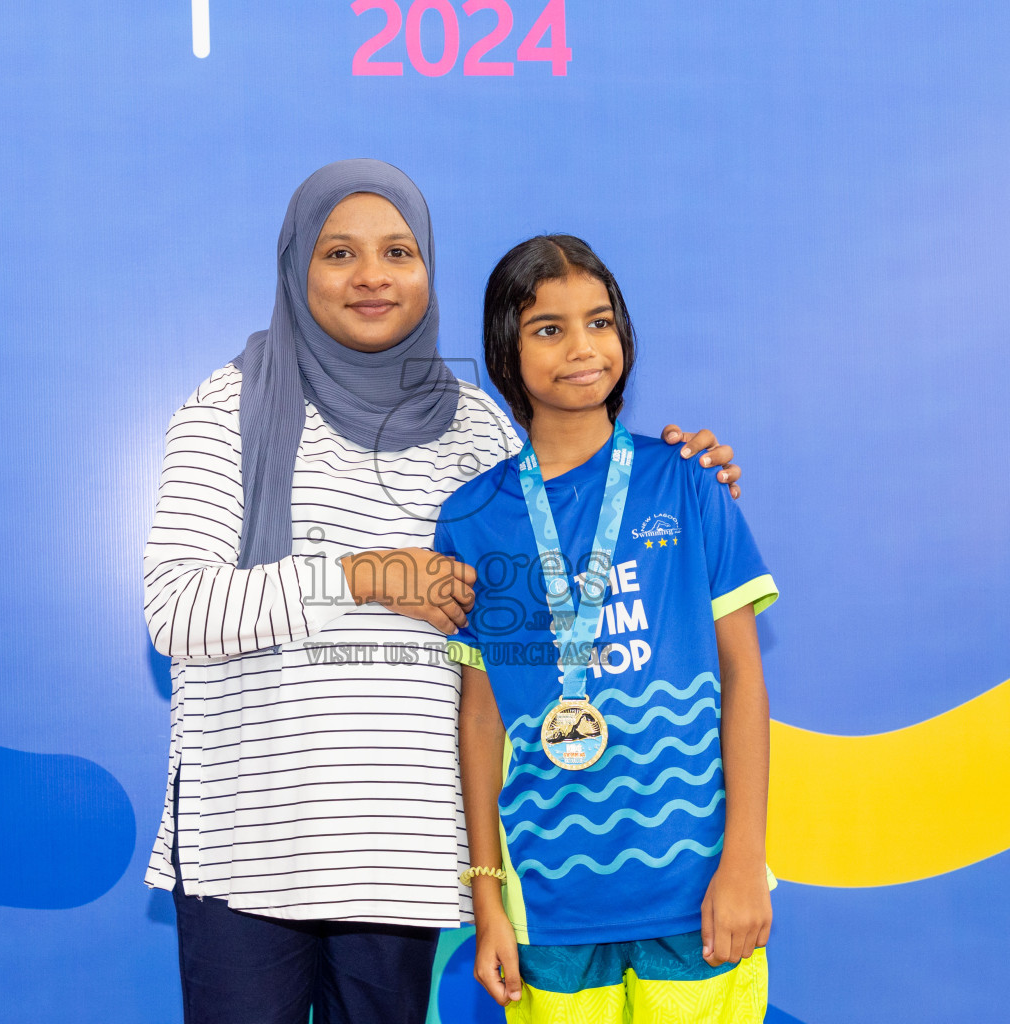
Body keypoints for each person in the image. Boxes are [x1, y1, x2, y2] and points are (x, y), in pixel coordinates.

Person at [142, 161, 746, 1024]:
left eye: (398, 251)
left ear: (428, 266)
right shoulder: (229, 406)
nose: (373, 276)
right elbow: (176, 610)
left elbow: (556, 579)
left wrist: (687, 478)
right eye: (339, 253)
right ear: (295, 268)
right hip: (250, 855)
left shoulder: (475, 426)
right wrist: (360, 574)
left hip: (400, 857)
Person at [438, 234, 778, 1022]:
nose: (582, 348)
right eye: (548, 329)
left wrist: (744, 860)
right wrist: (488, 897)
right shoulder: (474, 519)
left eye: (599, 322)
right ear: (505, 351)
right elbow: (481, 718)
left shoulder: (688, 482)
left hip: (697, 895)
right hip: (551, 908)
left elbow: (744, 681)